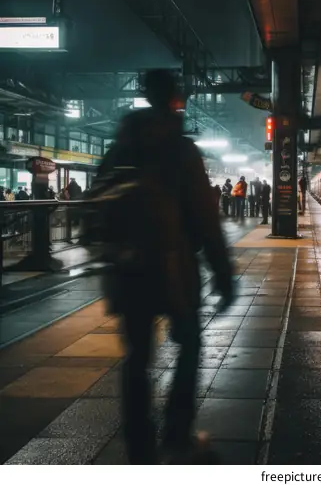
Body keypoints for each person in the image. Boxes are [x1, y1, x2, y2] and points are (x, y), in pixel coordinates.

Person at [92, 69, 234, 464]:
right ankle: (177, 434)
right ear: (174, 99)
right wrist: (223, 274)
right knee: (189, 344)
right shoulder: (180, 148)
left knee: (137, 356)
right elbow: (205, 217)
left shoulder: (119, 146)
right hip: (174, 269)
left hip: (126, 267)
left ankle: (138, 443)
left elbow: (98, 204)